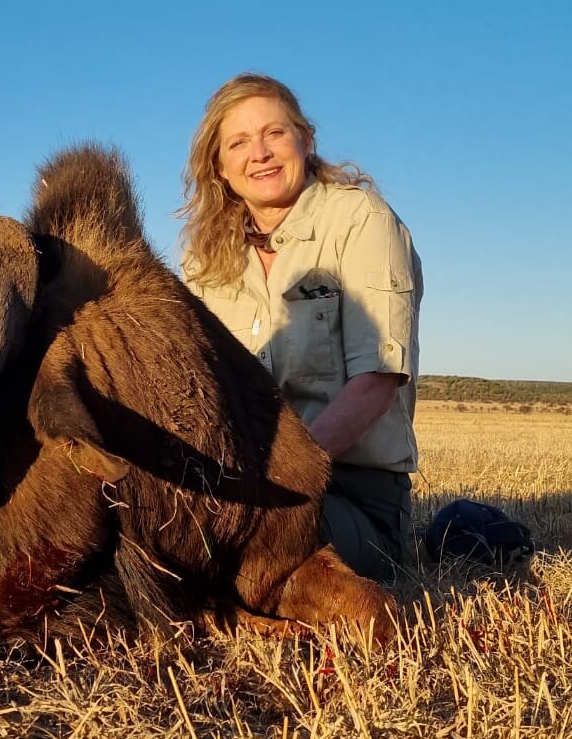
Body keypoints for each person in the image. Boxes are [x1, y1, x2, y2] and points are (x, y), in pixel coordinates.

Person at [180, 73, 423, 582]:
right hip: (241, 487)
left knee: (240, 553)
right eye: (239, 142)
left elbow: (378, 380)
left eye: (275, 133)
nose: (261, 153)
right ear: (220, 168)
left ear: (305, 139)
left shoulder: (360, 220)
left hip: (352, 492)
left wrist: (274, 483)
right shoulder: (202, 259)